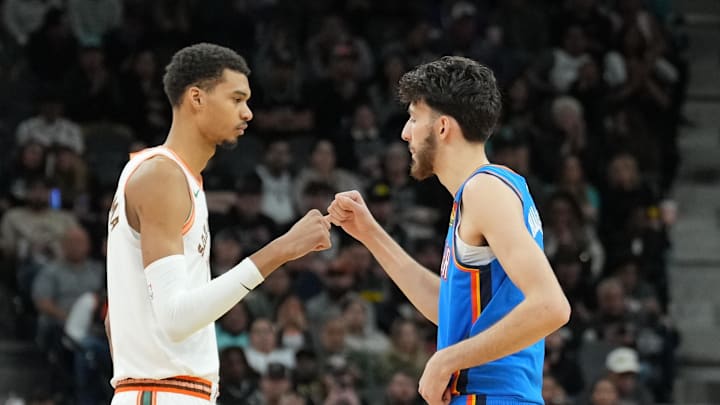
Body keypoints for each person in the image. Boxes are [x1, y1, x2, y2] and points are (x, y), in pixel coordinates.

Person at [327, 56, 571, 405]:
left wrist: (447, 359)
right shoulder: (491, 189)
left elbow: (551, 306)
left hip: (493, 396)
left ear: (442, 127)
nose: (405, 132)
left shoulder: (484, 190)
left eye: (413, 118)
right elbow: (447, 308)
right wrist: (370, 233)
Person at [105, 43, 332, 405]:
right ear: (197, 98)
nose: (248, 114)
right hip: (165, 393)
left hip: (164, 391)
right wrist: (282, 249)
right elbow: (175, 318)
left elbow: (115, 320)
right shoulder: (162, 176)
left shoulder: (169, 175)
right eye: (237, 99)